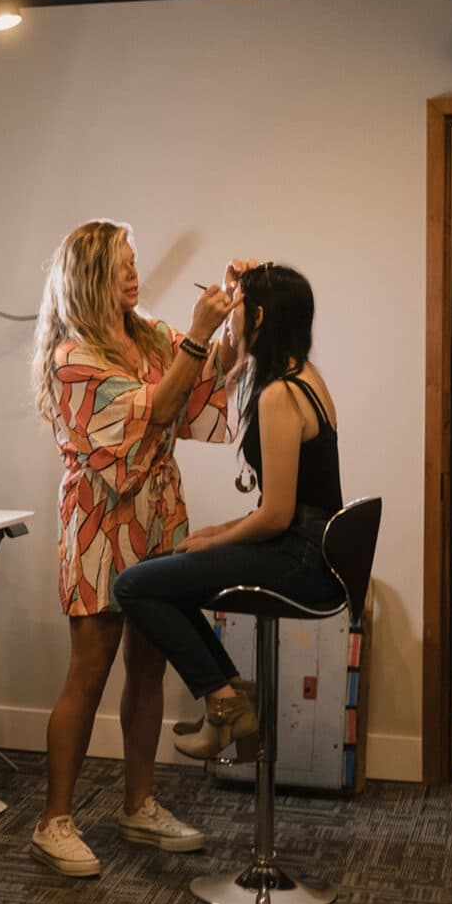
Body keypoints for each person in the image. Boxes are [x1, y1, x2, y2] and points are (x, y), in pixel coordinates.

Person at [29, 219, 240, 877]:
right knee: (91, 669)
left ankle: (138, 803)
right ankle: (52, 821)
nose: (133, 272)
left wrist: (238, 317)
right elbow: (151, 407)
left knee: (150, 665)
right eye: (121, 262)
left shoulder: (148, 334)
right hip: (99, 515)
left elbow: (207, 380)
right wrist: (201, 335)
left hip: (157, 513)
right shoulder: (72, 356)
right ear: (90, 275)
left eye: (134, 260)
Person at [114, 262, 343, 761]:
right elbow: (289, 505)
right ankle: (231, 694)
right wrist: (223, 528)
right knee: (156, 574)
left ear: (257, 317)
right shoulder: (305, 377)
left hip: (300, 559)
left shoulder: (281, 394)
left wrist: (216, 540)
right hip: (309, 547)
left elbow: (278, 514)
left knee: (132, 585)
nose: (230, 321)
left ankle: (226, 702)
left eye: (236, 311)